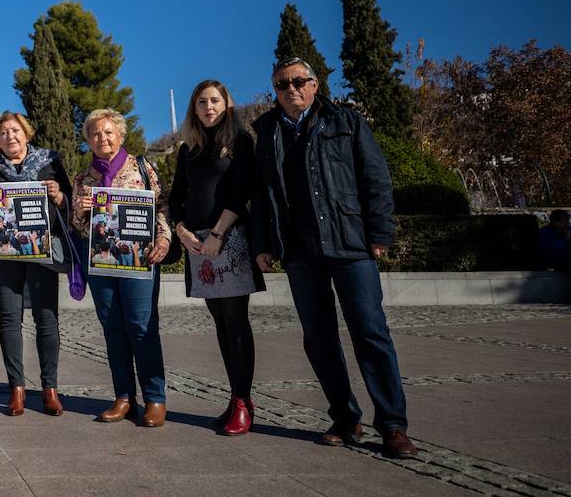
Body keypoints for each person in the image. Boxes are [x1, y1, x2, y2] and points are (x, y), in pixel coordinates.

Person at [251, 57, 417, 459]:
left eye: (298, 82)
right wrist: (263, 244)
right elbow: (260, 196)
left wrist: (379, 233)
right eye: (281, 85)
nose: (291, 90)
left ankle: (393, 425)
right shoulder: (267, 131)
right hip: (300, 252)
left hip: (350, 245)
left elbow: (375, 178)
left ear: (315, 84)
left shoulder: (346, 122)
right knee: (319, 338)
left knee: (371, 333)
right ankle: (345, 417)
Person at [167, 80, 263, 436]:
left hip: (230, 238)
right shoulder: (188, 149)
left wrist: (219, 234)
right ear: (194, 109)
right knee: (220, 323)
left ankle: (242, 400)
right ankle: (237, 398)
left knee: (237, 321)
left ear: (226, 104)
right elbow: (177, 196)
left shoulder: (239, 141)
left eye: (214, 101)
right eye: (202, 102)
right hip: (198, 243)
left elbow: (241, 192)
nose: (208, 107)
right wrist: (182, 231)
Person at [0, 112, 72, 417]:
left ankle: (49, 388)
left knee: (47, 319)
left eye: (15, 131)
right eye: (3, 133)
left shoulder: (50, 163)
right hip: (5, 255)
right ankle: (17, 388)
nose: (9, 136)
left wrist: (59, 196)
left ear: (26, 133)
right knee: (9, 319)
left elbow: (68, 204)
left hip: (43, 253)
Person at [71, 109, 173, 427]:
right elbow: (77, 227)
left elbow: (162, 207)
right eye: (95, 134)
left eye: (108, 132)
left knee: (142, 328)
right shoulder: (82, 179)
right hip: (101, 263)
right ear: (88, 140)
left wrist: (165, 238)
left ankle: (155, 399)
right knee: (113, 330)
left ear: (120, 135)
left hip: (139, 263)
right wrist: (79, 210)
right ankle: (124, 398)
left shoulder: (142, 168)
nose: (102, 138)